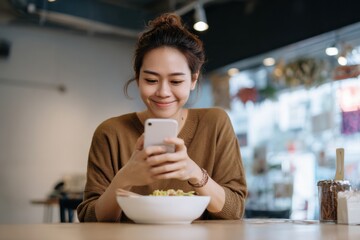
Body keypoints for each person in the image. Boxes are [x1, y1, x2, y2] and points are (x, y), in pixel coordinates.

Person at [77, 13, 247, 222]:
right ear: (137, 77)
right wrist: (124, 178)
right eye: (151, 80)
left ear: (193, 80)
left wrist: (194, 172)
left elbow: (235, 210)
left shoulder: (215, 123)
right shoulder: (110, 133)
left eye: (176, 81)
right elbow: (89, 218)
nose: (163, 92)